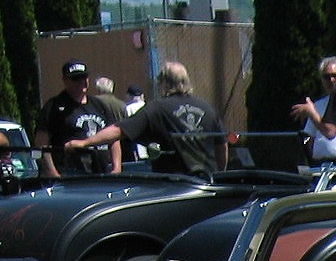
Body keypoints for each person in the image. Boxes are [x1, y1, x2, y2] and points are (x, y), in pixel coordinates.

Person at [69, 60, 226, 177]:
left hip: (175, 188)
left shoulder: (157, 109)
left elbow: (119, 130)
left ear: (164, 83)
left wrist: (85, 142)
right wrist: (219, 174)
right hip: (207, 185)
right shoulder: (207, 108)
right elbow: (222, 145)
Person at [38, 60, 119, 177]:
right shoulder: (54, 106)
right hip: (71, 175)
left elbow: (114, 138)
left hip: (101, 174)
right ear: (65, 80)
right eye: (76, 78)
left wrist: (116, 168)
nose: (81, 82)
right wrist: (53, 173)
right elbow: (41, 143)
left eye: (84, 77)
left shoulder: (98, 105)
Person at [290, 56, 336, 163]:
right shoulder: (317, 105)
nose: (331, 80)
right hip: (320, 164)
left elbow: (330, 133)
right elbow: (309, 137)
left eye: (335, 75)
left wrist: (311, 113)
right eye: (326, 77)